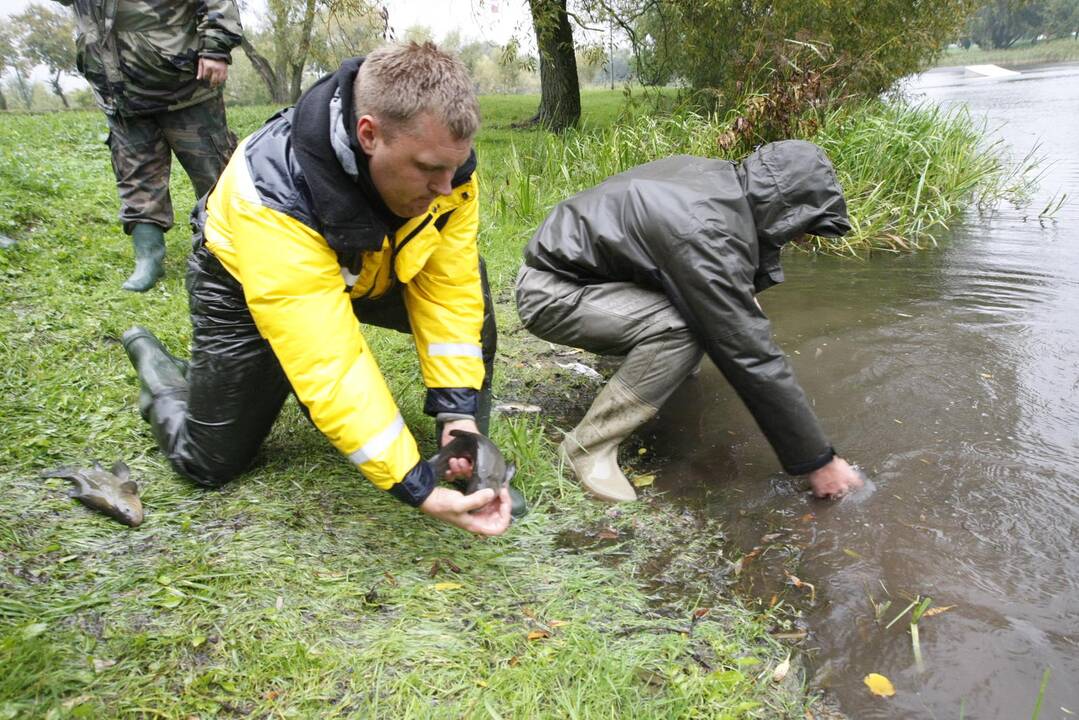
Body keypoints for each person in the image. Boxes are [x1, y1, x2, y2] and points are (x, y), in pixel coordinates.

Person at [121, 42, 512, 536]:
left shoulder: (451, 177)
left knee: (473, 305)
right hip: (245, 281)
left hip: (370, 269)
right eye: (428, 168)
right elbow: (330, 361)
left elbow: (448, 290)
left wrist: (459, 412)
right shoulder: (270, 192)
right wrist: (415, 486)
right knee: (209, 463)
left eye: (453, 166)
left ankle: (468, 454)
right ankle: (160, 369)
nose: (444, 186)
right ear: (369, 134)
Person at [515, 140, 865, 502]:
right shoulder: (706, 229)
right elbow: (750, 353)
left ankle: (658, 378)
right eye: (803, 227)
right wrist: (818, 460)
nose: (802, 238)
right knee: (687, 327)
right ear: (786, 208)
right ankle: (586, 449)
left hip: (582, 273)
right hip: (552, 293)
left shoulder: (716, 181)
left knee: (712, 314)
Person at [56, 0, 243, 292]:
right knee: (135, 173)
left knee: (215, 173)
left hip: (183, 82)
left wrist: (216, 47)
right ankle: (148, 256)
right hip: (118, 88)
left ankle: (234, 248)